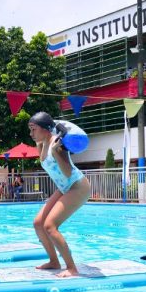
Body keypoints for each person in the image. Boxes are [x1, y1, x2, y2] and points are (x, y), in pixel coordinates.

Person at [27, 111, 91, 277]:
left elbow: (68, 173)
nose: (31, 133)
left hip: (77, 186)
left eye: (33, 129)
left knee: (50, 225)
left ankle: (72, 268)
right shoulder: (41, 143)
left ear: (45, 129)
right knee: (38, 223)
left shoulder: (58, 144)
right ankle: (54, 261)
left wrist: (56, 152)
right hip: (64, 188)